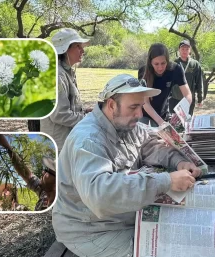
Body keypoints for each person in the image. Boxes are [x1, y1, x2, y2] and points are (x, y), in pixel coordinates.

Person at [52, 74, 201, 257]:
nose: (139, 114)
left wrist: (179, 162)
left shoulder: (124, 123)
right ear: (112, 105)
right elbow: (100, 196)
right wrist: (165, 181)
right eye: (133, 107)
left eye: (141, 106)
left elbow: (149, 144)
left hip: (118, 218)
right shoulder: (88, 140)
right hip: (90, 229)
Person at [40, 28, 91, 151]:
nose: (82, 51)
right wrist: (89, 119)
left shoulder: (66, 72)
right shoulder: (57, 75)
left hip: (67, 141)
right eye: (78, 46)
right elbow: (59, 114)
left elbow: (67, 106)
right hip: (58, 145)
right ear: (65, 49)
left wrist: (84, 111)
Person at [0, 134, 56, 211]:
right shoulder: (44, 192)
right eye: (45, 169)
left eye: (48, 171)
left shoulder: (62, 205)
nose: (43, 172)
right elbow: (27, 175)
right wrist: (8, 147)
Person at [138, 43, 192, 126]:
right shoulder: (143, 72)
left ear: (167, 60)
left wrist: (181, 111)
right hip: (145, 116)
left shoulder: (175, 69)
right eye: (156, 64)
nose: (160, 68)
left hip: (164, 115)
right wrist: (161, 123)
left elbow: (188, 95)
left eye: (163, 63)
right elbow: (146, 103)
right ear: (150, 62)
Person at [171, 40, 204, 115]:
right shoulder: (174, 64)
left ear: (190, 50)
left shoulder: (195, 64)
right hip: (175, 98)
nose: (184, 51)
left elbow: (199, 82)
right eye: (182, 49)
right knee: (174, 121)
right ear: (179, 50)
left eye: (187, 49)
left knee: (187, 121)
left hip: (189, 98)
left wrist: (200, 98)